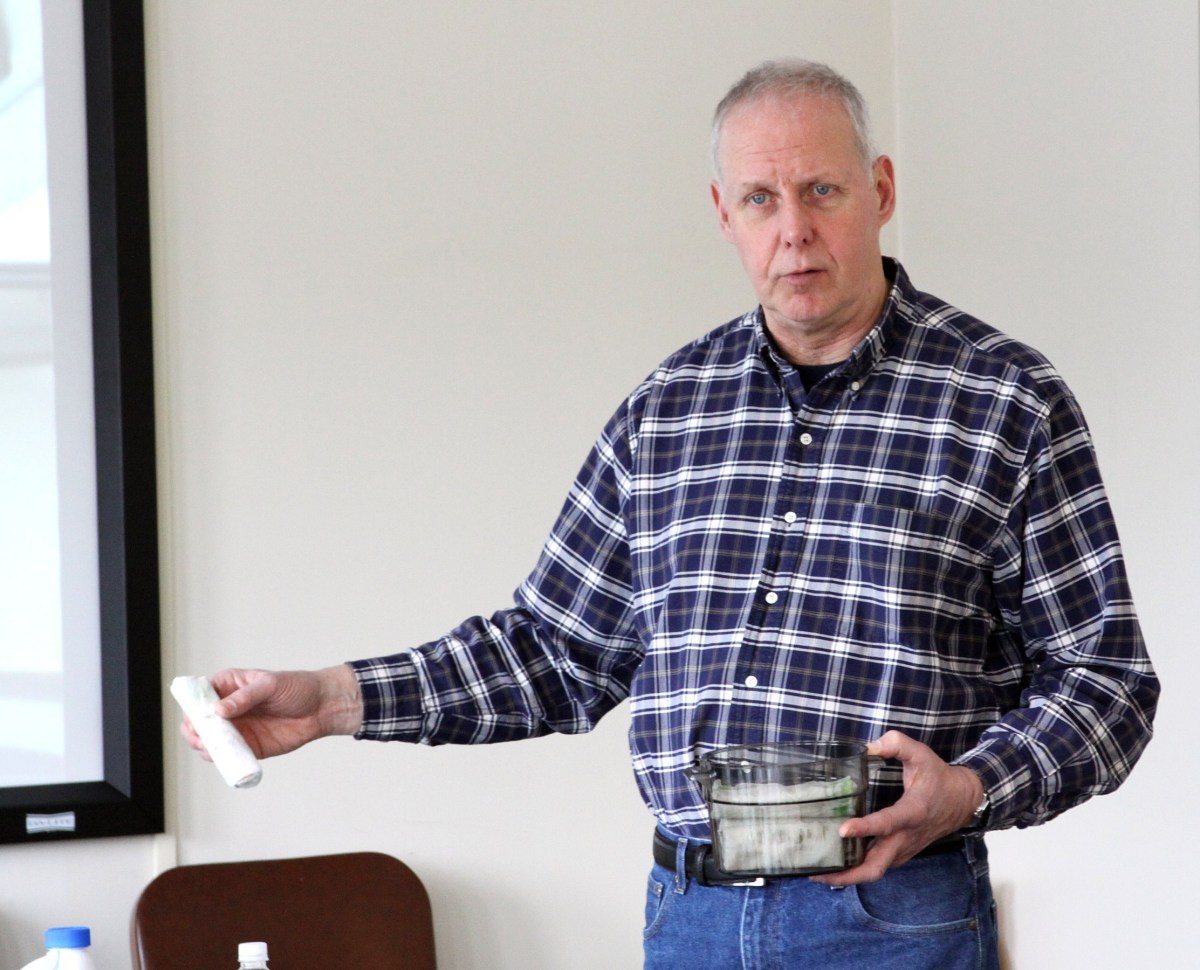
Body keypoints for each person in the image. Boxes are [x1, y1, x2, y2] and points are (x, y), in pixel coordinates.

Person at [183, 60, 1159, 969]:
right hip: (687, 915)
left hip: (896, 916)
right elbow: (553, 651)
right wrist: (330, 698)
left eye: (822, 190)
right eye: (760, 199)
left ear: (882, 191)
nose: (794, 230)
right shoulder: (667, 412)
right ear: (723, 214)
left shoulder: (1004, 401)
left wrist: (971, 788)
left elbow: (1108, 682)